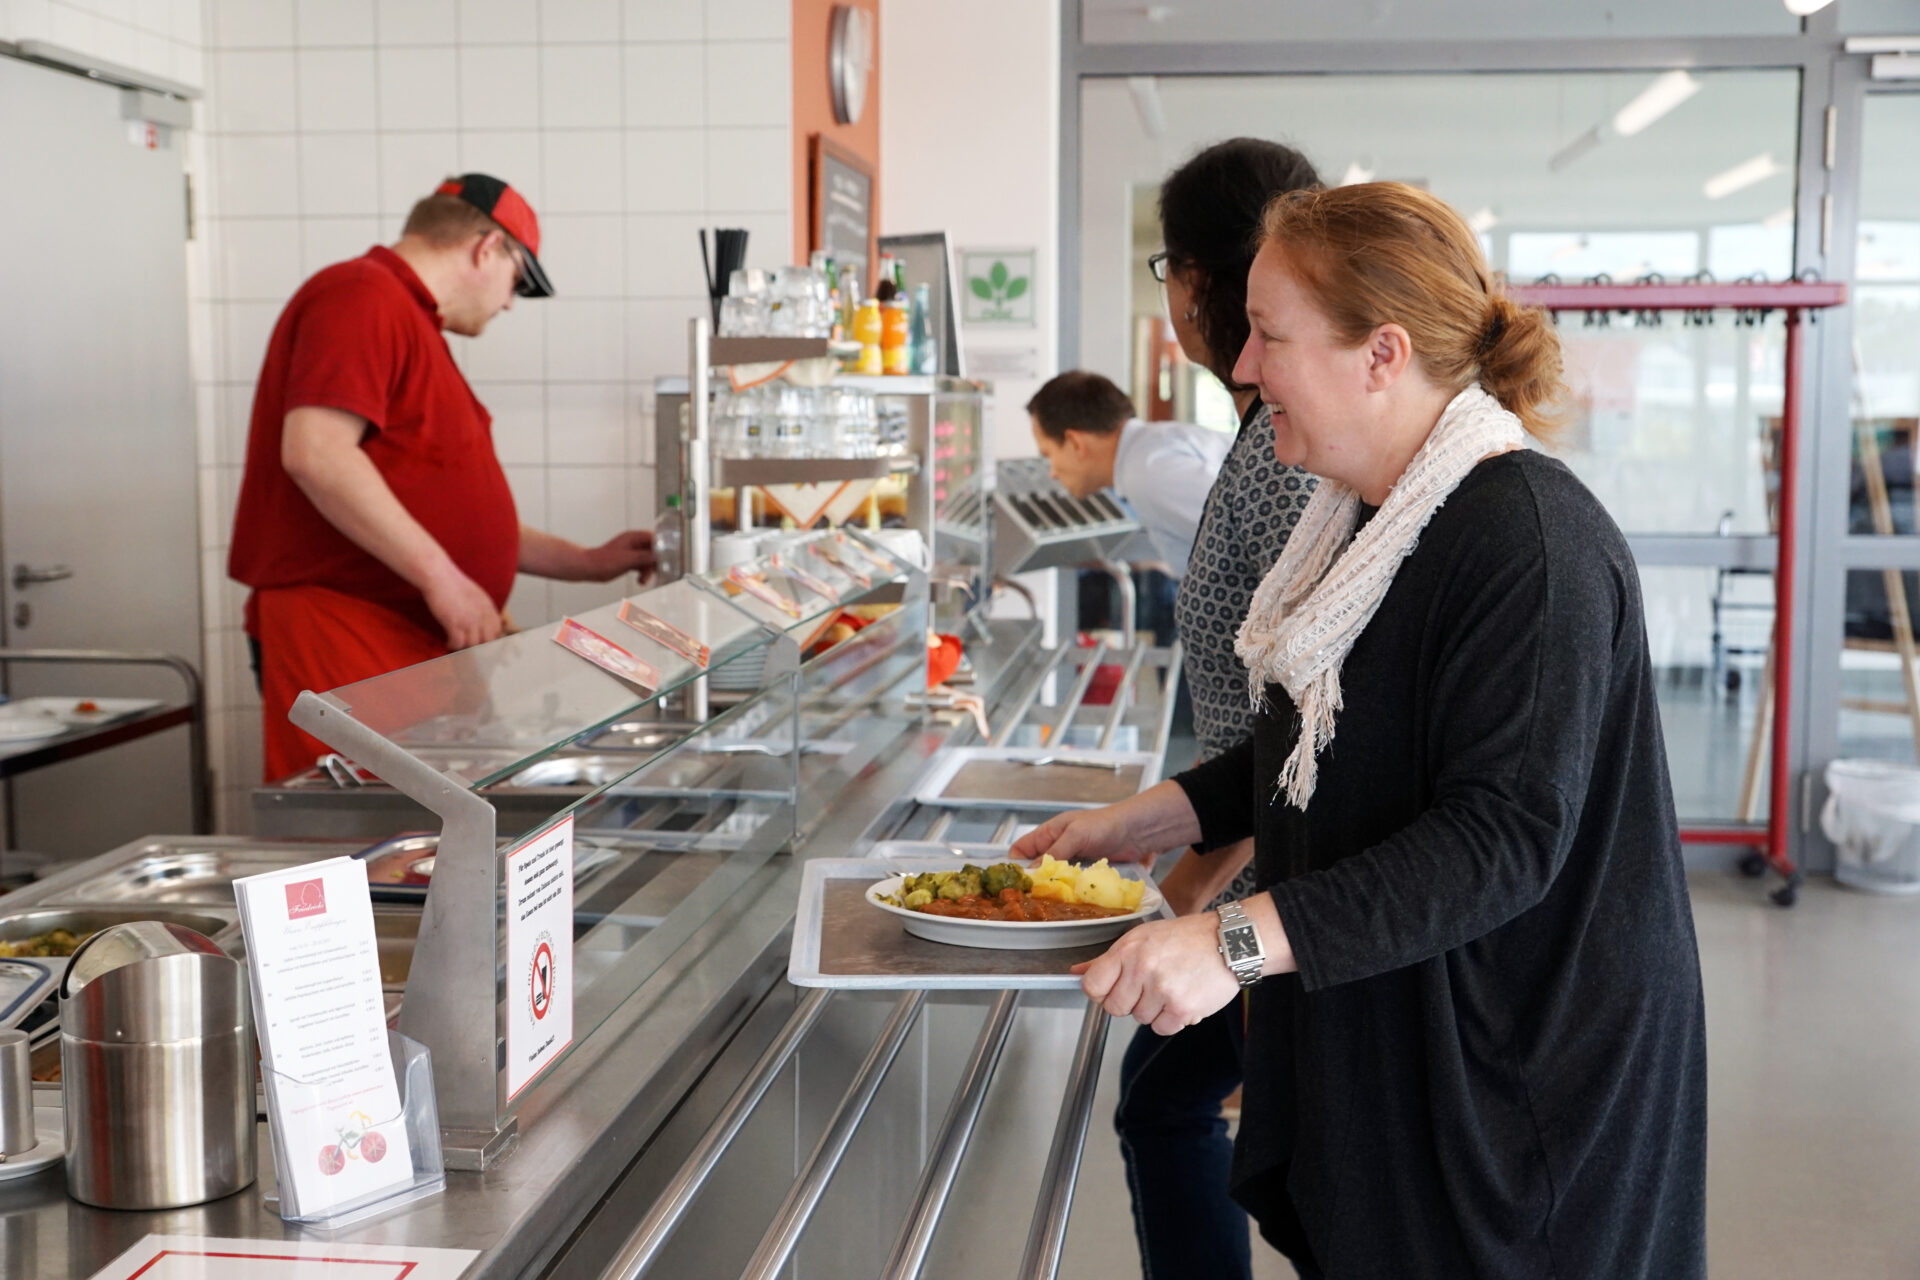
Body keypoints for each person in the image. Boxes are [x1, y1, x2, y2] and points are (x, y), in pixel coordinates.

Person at [1014, 182, 1707, 1279]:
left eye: (1271, 335)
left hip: (1519, 1097)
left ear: (1381, 354)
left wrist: (1230, 943)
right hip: (1402, 1057)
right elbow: (1317, 750)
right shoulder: (1370, 520)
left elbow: (1500, 839)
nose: (1241, 367)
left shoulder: (1527, 543)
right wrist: (1145, 819)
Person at [229, 174, 656, 780]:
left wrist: (584, 561)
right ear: (488, 248)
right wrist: (446, 581)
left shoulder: (410, 321)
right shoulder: (359, 294)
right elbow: (317, 454)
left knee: (420, 843)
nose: (509, 302)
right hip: (341, 624)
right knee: (356, 839)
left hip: (406, 640)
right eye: (518, 282)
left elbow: (437, 509)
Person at [1102, 138, 1323, 1280]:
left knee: (1181, 1111)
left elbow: (1304, 720)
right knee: (1182, 1109)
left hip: (1283, 886)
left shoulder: (1291, 452)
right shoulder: (1263, 436)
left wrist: (1209, 888)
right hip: (1256, 866)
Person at [1027, 370, 1230, 577]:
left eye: (1049, 454)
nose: (1052, 472)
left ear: (1074, 443)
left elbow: (1243, 533)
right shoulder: (1150, 450)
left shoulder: (1149, 473)